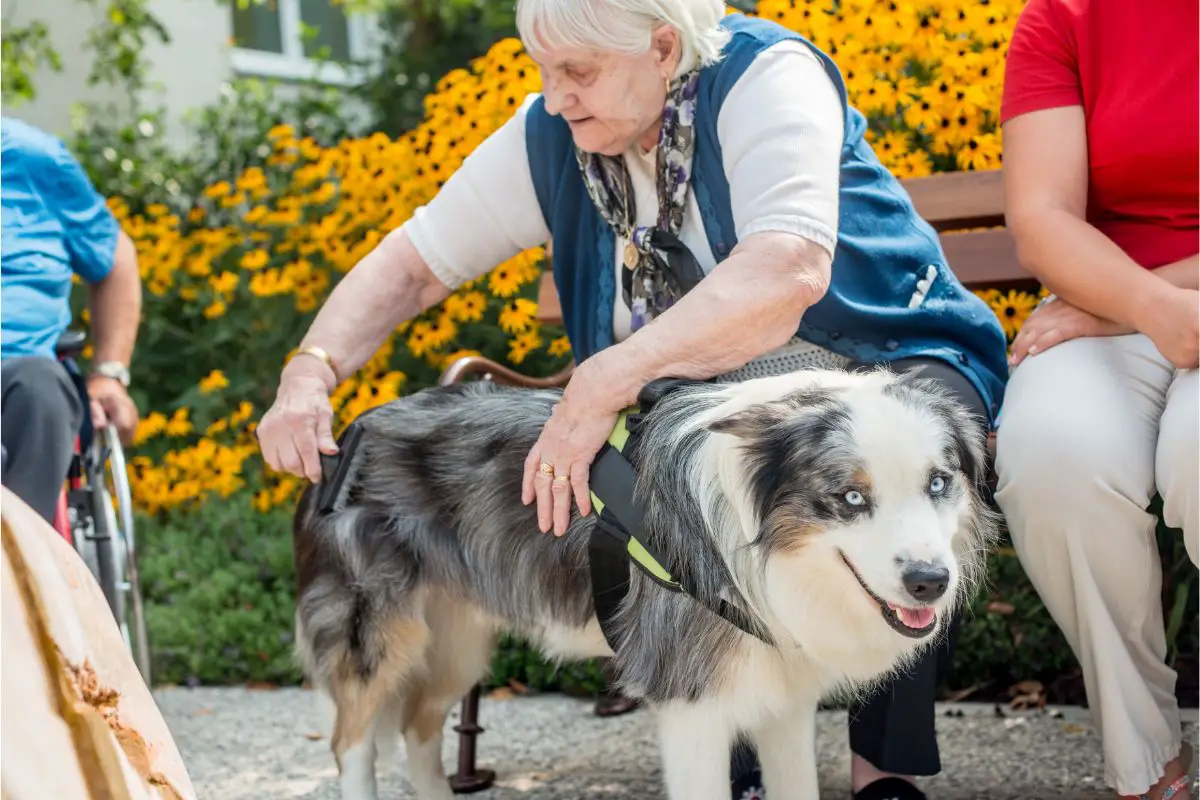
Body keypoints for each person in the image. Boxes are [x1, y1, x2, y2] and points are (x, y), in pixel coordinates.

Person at [256, 2, 1009, 797]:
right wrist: (312, 367)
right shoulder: (554, 135)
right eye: (544, 72)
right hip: (708, 403)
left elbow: (785, 270)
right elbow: (413, 265)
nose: (554, 97)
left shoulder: (763, 76)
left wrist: (608, 379)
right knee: (694, 464)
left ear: (661, 47)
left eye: (577, 72)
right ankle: (733, 741)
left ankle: (881, 774)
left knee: (858, 473)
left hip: (887, 372)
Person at [993, 1, 1199, 799]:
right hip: (1114, 311)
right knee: (1052, 458)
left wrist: (1125, 303)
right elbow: (1042, 217)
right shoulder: (1063, 15)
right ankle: (1146, 762)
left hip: (1111, 305)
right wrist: (1144, 309)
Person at [1, 116, 142, 524]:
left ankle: (20, 567)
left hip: (22, 381)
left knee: (40, 387)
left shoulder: (32, 159)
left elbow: (116, 260)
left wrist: (110, 373)